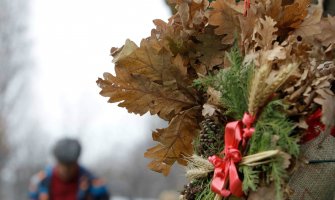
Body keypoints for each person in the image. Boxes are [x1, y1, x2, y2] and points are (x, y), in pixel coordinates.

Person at [29, 138, 110, 200]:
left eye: (70, 165)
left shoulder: (93, 184)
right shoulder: (41, 182)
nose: (66, 170)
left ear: (76, 162)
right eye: (63, 164)